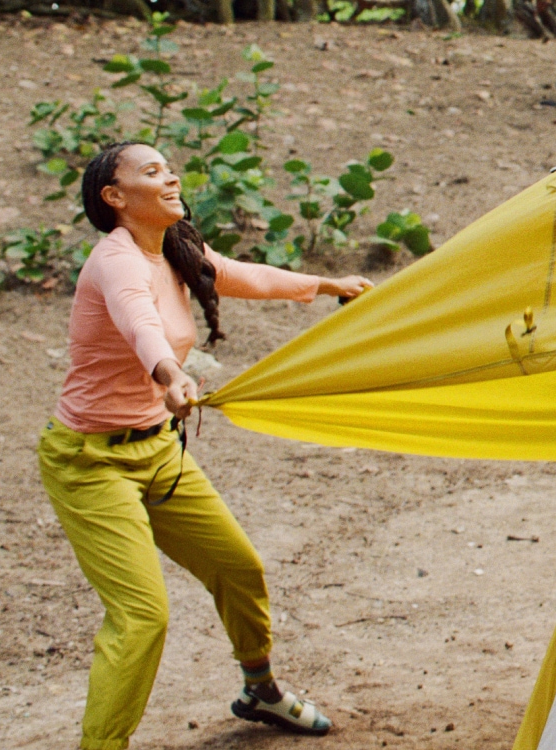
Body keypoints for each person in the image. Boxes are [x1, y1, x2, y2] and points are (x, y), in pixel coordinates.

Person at [40, 141, 371, 750]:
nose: (170, 177)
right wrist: (169, 374)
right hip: (90, 462)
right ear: (115, 198)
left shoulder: (175, 250)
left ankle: (261, 691)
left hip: (158, 451)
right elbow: (136, 318)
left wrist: (329, 284)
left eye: (168, 168)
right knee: (143, 617)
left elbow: (248, 276)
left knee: (238, 567)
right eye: (151, 172)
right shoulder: (116, 260)